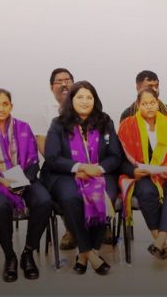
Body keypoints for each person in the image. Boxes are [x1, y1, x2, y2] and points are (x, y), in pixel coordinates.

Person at [0, 88, 53, 283]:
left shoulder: (23, 127)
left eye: (5, 104)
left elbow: (33, 161)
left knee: (44, 201)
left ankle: (28, 253)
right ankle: (10, 256)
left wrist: (22, 181)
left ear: (11, 106)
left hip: (24, 179)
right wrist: (0, 180)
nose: (1, 108)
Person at [43, 81, 123, 275]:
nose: (85, 101)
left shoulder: (106, 122)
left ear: (95, 100)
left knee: (106, 196)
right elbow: (52, 157)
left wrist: (99, 168)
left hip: (100, 172)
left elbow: (115, 155)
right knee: (71, 198)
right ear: (71, 100)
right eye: (80, 97)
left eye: (89, 97)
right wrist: (79, 167)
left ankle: (85, 254)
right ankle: (91, 254)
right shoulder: (59, 123)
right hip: (66, 174)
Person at [117, 86, 167, 260]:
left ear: (158, 103)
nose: (149, 106)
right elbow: (119, 159)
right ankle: (160, 242)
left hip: (166, 174)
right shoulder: (127, 126)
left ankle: (160, 241)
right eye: (145, 103)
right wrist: (134, 170)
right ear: (138, 105)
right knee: (146, 191)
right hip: (141, 174)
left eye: (152, 102)